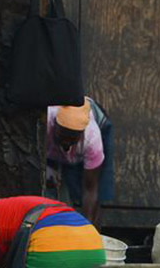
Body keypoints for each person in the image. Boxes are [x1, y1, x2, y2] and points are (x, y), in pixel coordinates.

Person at [45, 97, 113, 226]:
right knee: (49, 185)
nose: (66, 142)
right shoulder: (45, 123)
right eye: (63, 136)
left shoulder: (92, 139)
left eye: (71, 138)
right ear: (56, 126)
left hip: (98, 126)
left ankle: (90, 230)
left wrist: (86, 227)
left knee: (93, 189)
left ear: (81, 134)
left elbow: (90, 188)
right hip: (52, 145)